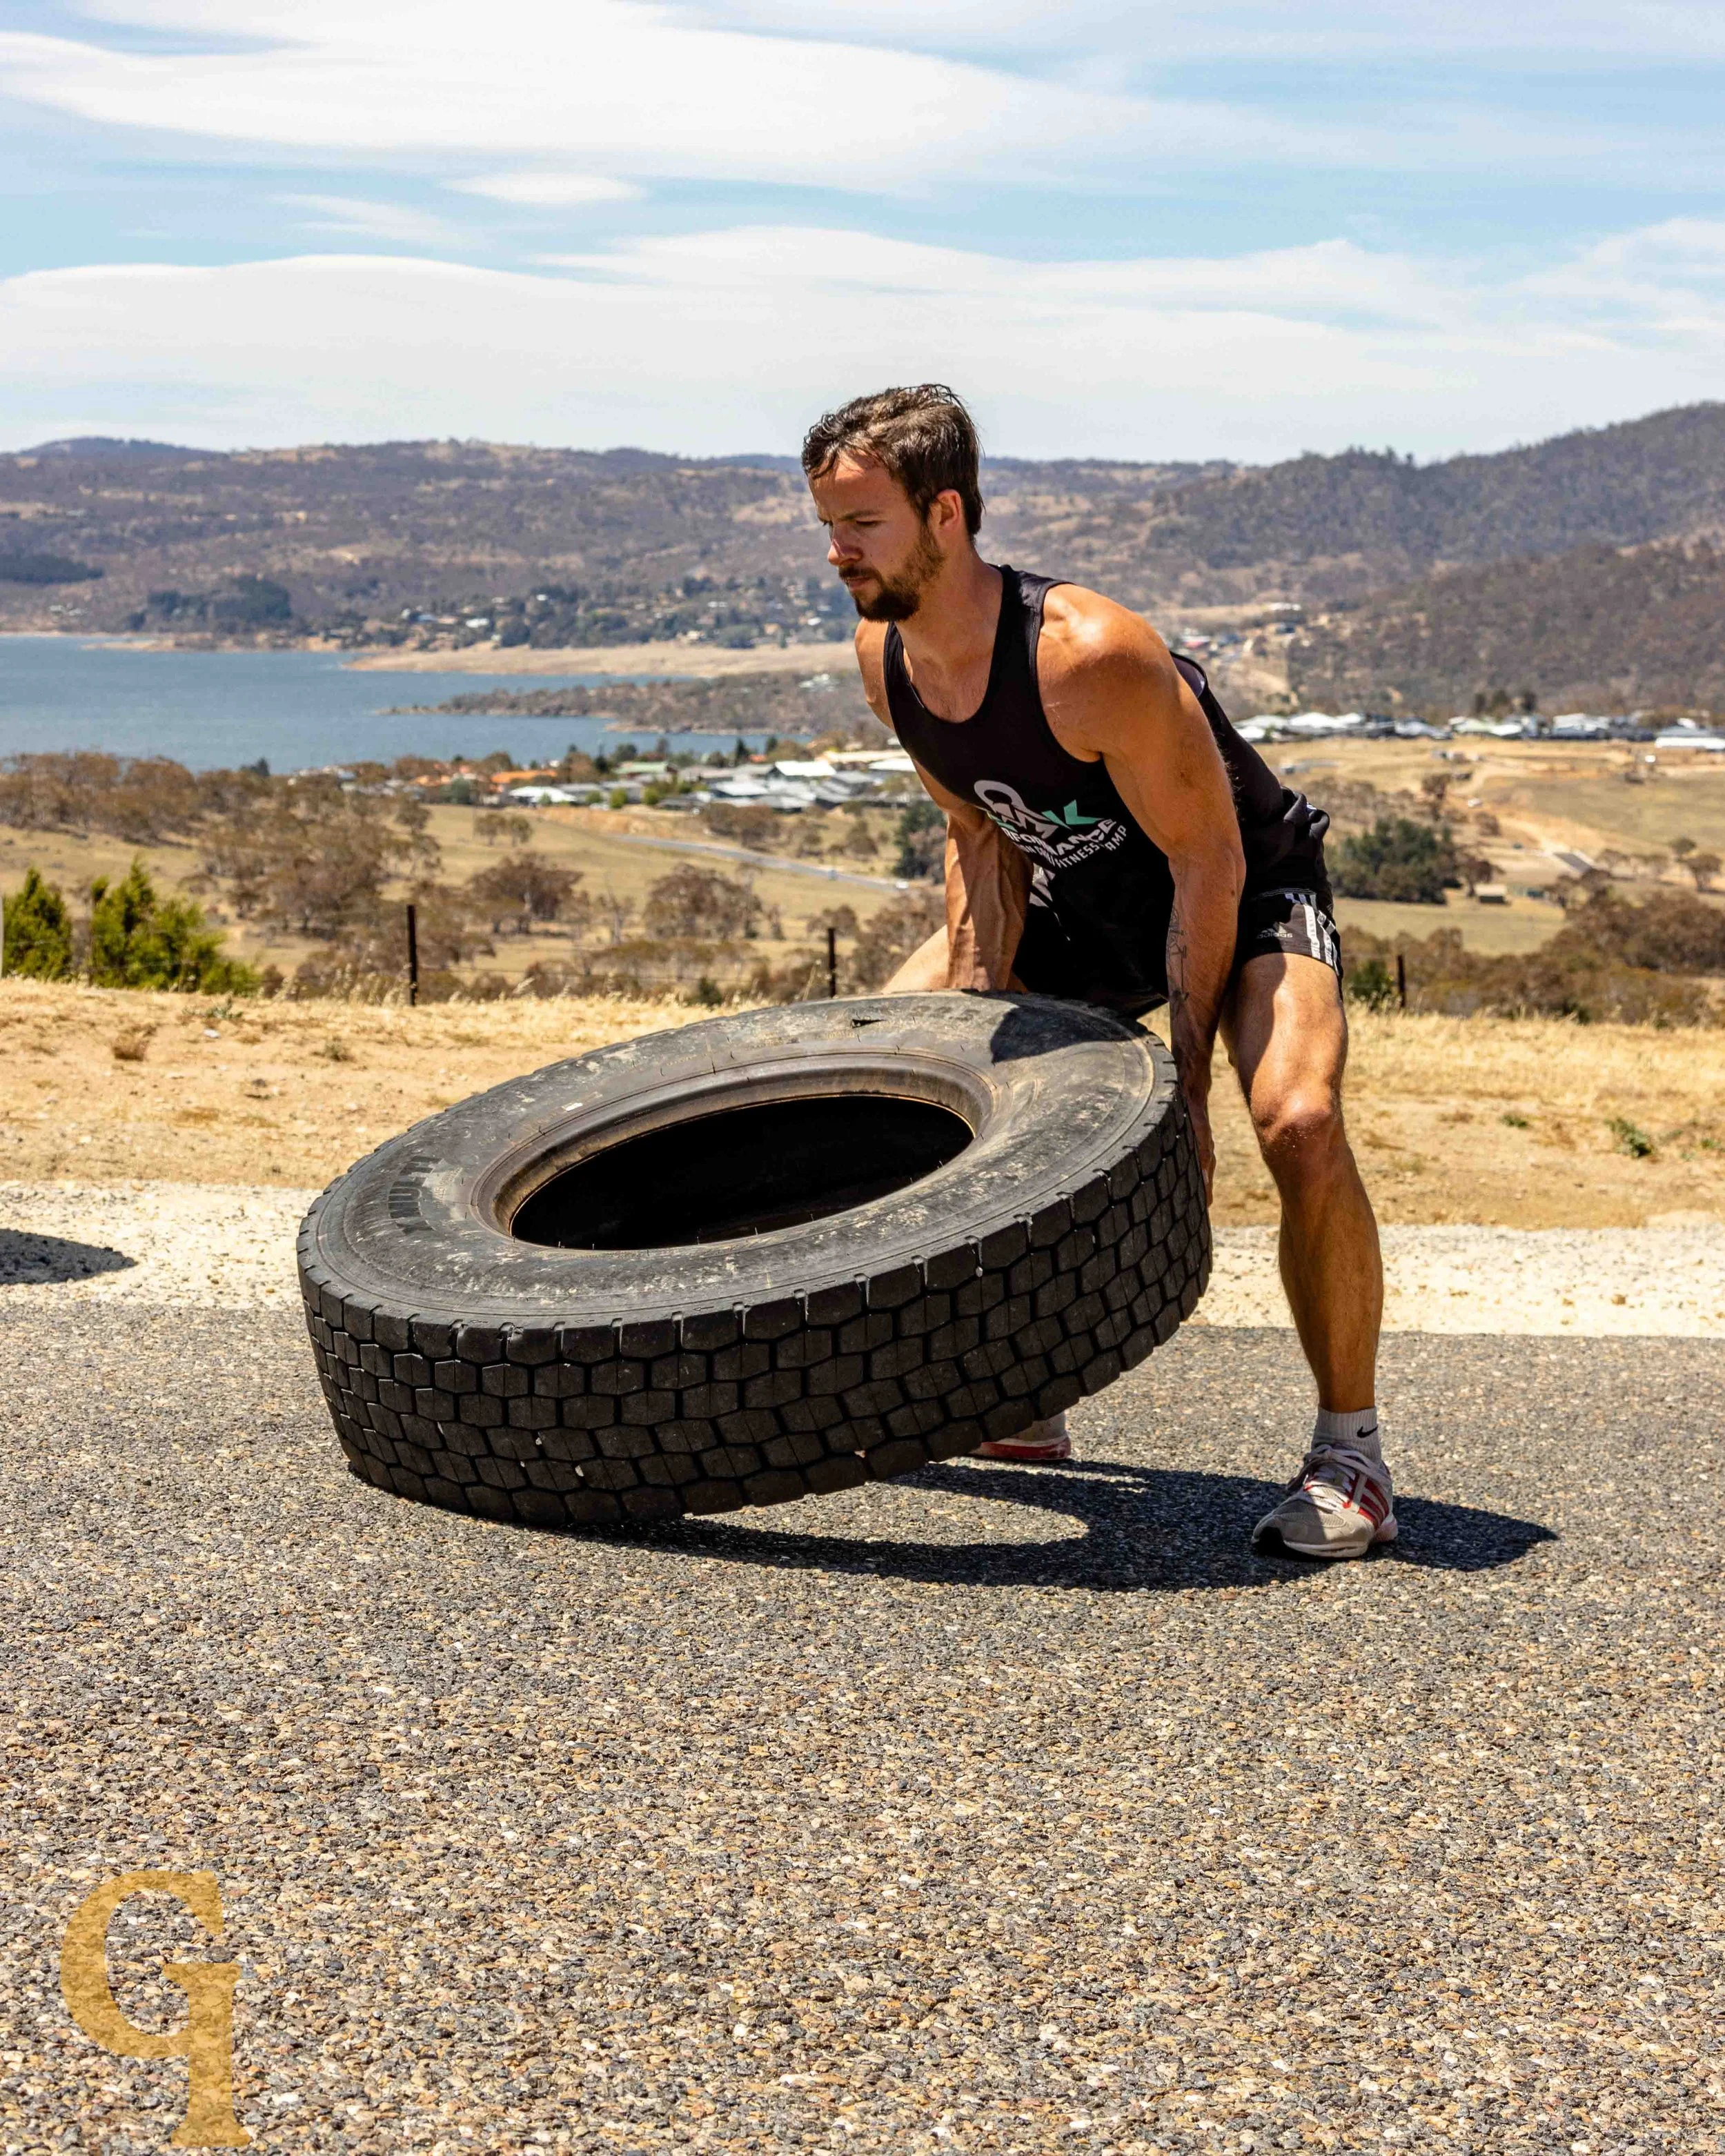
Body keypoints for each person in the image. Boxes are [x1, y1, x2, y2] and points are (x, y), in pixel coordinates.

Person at [800, 384, 1392, 1561]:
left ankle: (1351, 1452)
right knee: (866, 1079)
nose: (837, 551)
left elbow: (1208, 860)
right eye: (827, 523)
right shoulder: (890, 658)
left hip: (1242, 891)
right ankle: (1024, 1393)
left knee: (1300, 1120)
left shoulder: (1087, 656)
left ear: (947, 515)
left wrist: (1184, 1097)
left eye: (862, 524)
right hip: (1075, 908)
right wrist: (970, 1049)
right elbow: (980, 841)